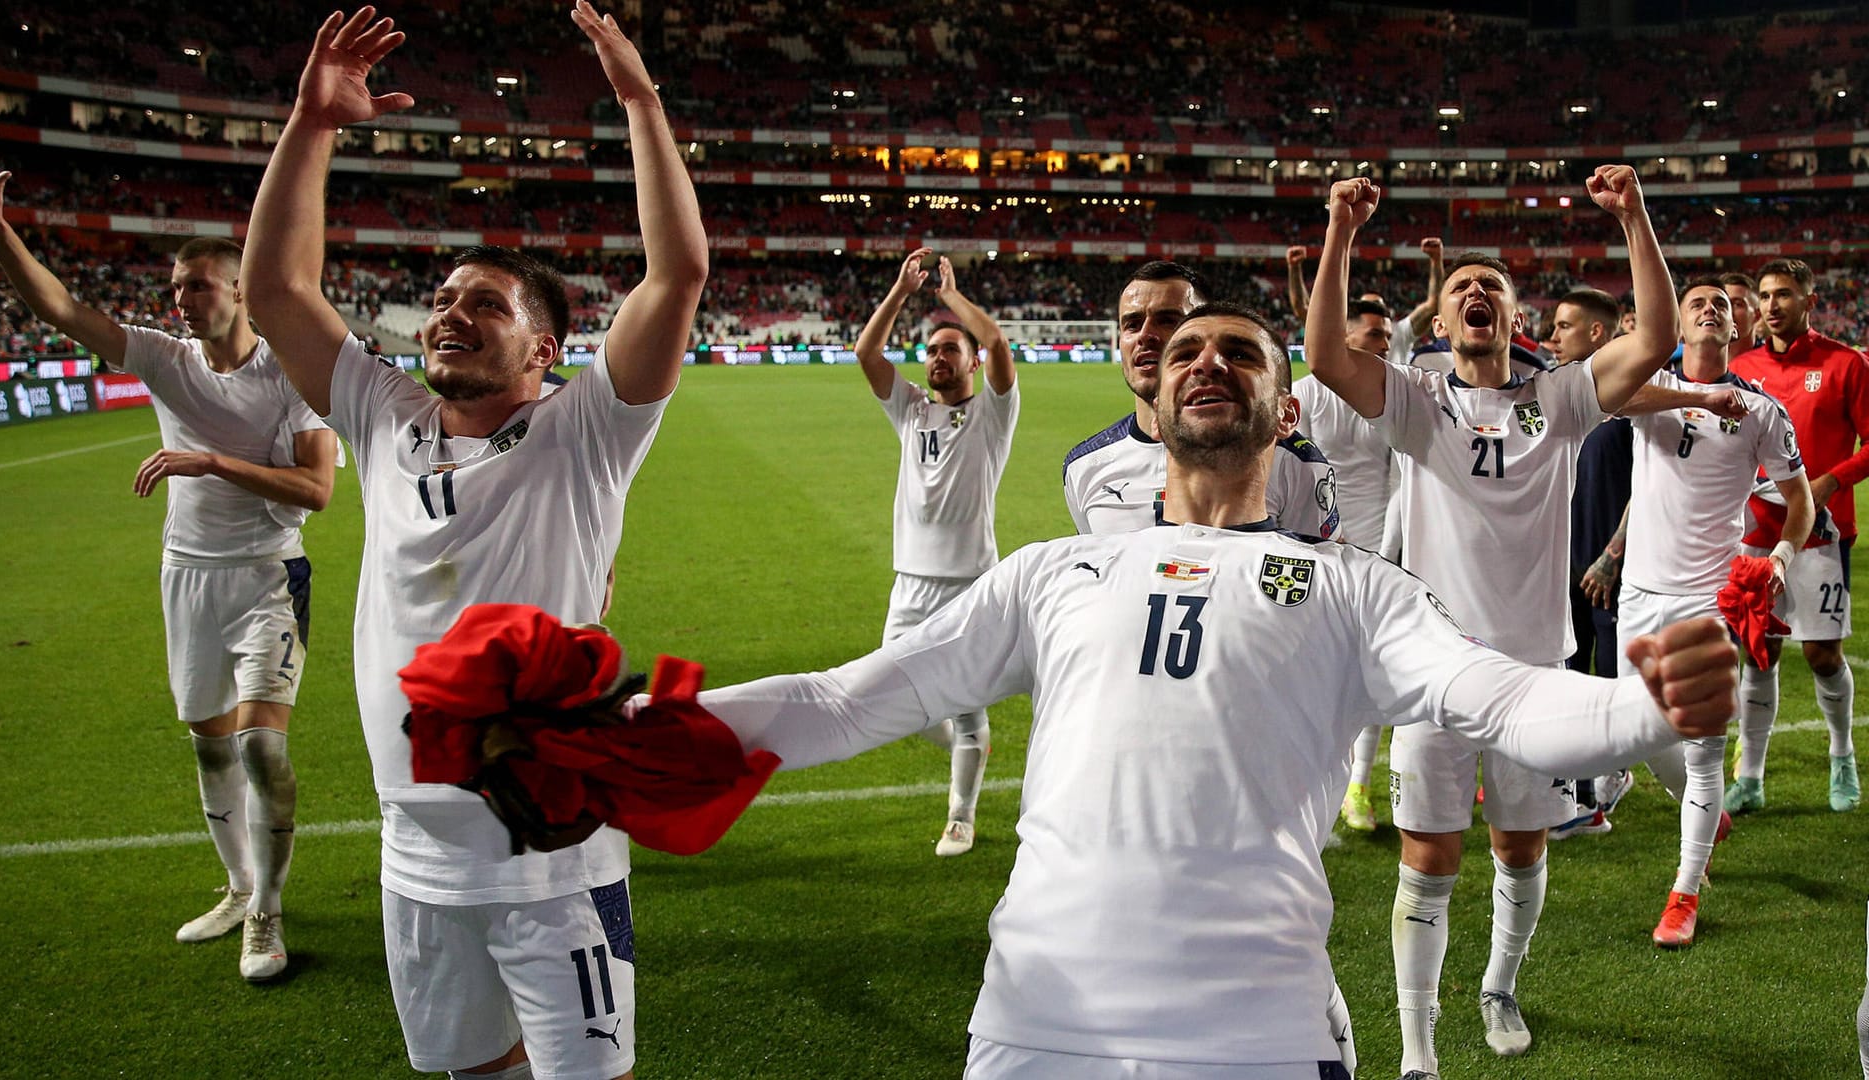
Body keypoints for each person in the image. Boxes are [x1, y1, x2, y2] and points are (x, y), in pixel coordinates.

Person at [699, 301, 1736, 1080]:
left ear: (1286, 409)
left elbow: (1503, 702)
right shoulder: (1050, 574)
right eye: (1186, 350)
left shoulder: (1353, 589)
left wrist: (1641, 706)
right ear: (1146, 399)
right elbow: (843, 703)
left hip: (1261, 1036)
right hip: (1034, 1028)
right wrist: (643, 725)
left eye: (1240, 350)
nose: (1207, 362)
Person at [239, 5, 705, 1077]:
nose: (448, 314)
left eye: (483, 305)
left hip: (553, 862)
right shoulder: (384, 418)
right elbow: (277, 291)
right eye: (442, 300)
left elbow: (674, 277)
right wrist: (311, 124)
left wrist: (639, 101)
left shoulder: (584, 433)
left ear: (545, 347)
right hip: (414, 862)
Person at [1304, 168, 1680, 1078]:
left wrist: (1633, 218)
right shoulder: (1416, 402)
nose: (1477, 293)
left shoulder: (1557, 401)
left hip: (1532, 674)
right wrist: (1339, 233)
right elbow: (1322, 357)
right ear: (1439, 325)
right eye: (1461, 288)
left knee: (1517, 846)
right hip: (1431, 671)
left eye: (1494, 288)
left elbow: (1655, 340)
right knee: (1427, 860)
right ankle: (1420, 1048)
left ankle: (1498, 987)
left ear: (1515, 320)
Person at [0, 179, 334, 982]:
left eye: (197, 284)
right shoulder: (161, 357)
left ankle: (266, 913)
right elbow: (61, 308)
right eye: (173, 288)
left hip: (268, 576)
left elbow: (318, 492)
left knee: (263, 745)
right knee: (210, 745)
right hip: (187, 578)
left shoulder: (291, 376)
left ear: (239, 289)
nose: (182, 300)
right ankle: (236, 888)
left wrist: (210, 462)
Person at [1602, 277, 1812, 946]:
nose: (1709, 308)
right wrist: (1699, 396)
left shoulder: (1763, 413)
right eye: (1697, 302)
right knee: (1635, 737)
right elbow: (1609, 395)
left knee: (1700, 752)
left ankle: (1684, 893)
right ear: (1679, 326)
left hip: (1707, 596)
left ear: (1736, 328)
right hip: (1640, 592)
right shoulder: (1652, 390)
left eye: (1722, 304)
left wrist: (1780, 556)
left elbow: (1799, 504)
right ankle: (1708, 814)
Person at [852, 247, 1017, 857]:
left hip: (970, 582)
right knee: (896, 696)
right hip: (910, 584)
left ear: (970, 361)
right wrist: (900, 289)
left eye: (951, 348)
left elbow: (998, 346)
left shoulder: (993, 415)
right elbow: (868, 354)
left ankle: (961, 816)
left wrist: (950, 298)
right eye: (932, 350)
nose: (938, 357)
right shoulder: (912, 409)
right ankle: (972, 749)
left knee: (967, 706)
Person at [1727, 257, 1869, 814]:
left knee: (1822, 654)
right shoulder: (1743, 365)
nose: (1771, 304)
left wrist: (1833, 479)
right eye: (1764, 294)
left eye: (1784, 293)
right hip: (1756, 533)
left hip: (1822, 532)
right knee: (1758, 652)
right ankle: (1751, 777)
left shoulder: (1844, 364)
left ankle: (1842, 757)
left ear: (1810, 300)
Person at [1063, 261, 1341, 544]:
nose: (1145, 335)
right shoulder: (1084, 466)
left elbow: (1319, 573)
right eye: (1132, 324)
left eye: (1168, 320)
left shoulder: (1293, 462)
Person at [1294, 298, 1405, 832]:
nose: (1387, 343)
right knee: (1310, 671)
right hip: (1316, 554)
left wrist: (1393, 551)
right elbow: (1290, 472)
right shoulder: (1306, 393)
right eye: (1377, 334)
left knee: (1369, 671)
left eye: (1388, 335)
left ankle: (1358, 785)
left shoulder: (1391, 392)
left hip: (1378, 552)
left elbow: (1400, 479)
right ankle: (1304, 781)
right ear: (1344, 334)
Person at [1551, 287, 1638, 837]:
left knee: (1610, 683)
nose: (1552, 337)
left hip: (1613, 567)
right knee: (1567, 679)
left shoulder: (1631, 397)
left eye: (1563, 326)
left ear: (1597, 334)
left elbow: (1651, 484)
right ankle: (1578, 792)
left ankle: (1611, 776)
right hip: (1563, 566)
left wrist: (1613, 553)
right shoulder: (1555, 396)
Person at [1288, 237, 1446, 367]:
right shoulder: (1345, 333)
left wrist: (1436, 261)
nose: (1385, 344)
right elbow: (1303, 309)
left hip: (1395, 402)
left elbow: (1433, 305)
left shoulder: (1400, 332)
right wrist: (1294, 268)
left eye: (1378, 309)